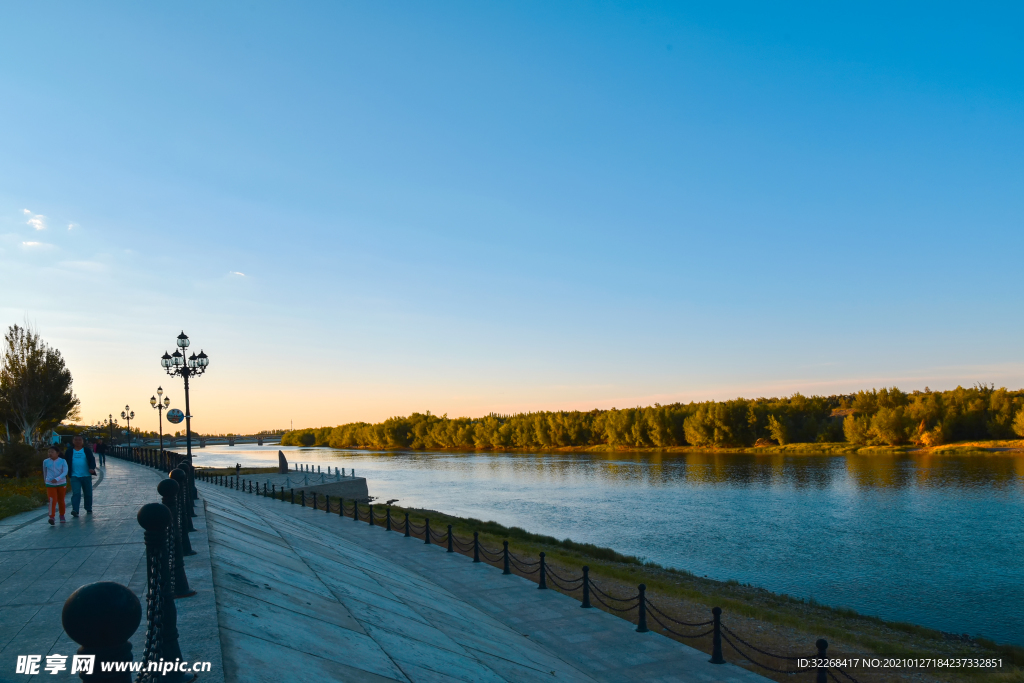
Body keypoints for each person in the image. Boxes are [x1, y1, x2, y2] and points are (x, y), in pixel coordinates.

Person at [65, 435, 97, 517]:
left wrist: (92, 468)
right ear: (73, 441)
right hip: (74, 476)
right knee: (76, 493)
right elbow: (65, 462)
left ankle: (88, 507)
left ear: (82, 441)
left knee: (88, 493)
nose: (78, 441)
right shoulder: (69, 451)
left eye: (79, 440)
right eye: (76, 440)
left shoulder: (86, 450)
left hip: (86, 475)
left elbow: (92, 460)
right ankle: (75, 510)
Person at [43, 446, 68, 525]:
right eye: (49, 452)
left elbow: (65, 472)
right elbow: (45, 472)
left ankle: (62, 515)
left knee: (61, 500)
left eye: (52, 452)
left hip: (61, 483)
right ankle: (52, 517)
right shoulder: (46, 461)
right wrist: (46, 481)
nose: (50, 454)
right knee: (51, 500)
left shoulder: (62, 461)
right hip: (50, 484)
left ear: (57, 453)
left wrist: (57, 479)